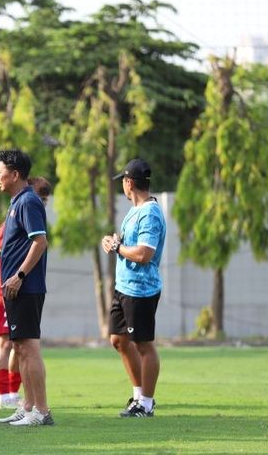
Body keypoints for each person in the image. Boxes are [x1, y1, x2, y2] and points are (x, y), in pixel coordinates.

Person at [101, 158, 166, 418]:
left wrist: (118, 248)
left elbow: (144, 253)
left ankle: (146, 403)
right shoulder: (135, 210)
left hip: (141, 290)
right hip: (124, 287)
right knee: (118, 340)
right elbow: (130, 245)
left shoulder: (149, 213)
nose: (123, 188)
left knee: (144, 345)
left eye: (123, 183)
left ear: (129, 183)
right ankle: (138, 396)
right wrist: (115, 242)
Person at [0, 150, 53, 427]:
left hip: (26, 288)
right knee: (19, 347)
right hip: (16, 290)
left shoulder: (28, 201)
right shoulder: (17, 201)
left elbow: (40, 242)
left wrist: (19, 275)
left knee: (29, 348)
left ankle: (41, 411)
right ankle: (27, 406)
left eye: (0, 171)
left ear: (15, 174)